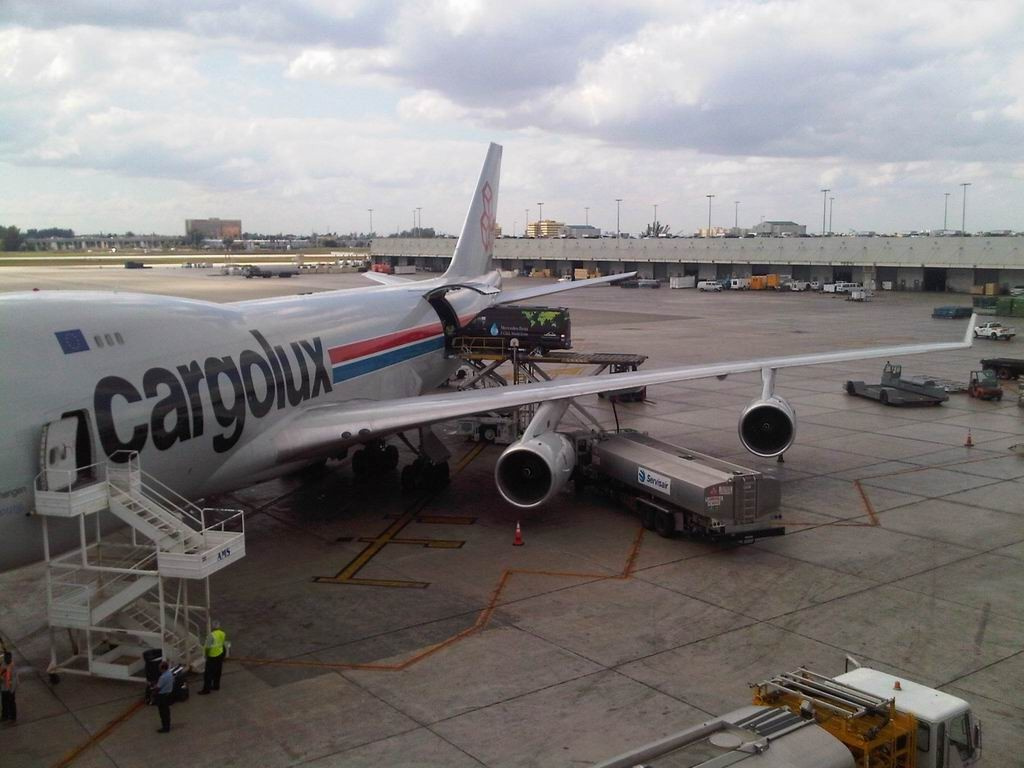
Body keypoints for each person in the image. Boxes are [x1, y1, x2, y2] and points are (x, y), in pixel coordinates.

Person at [198, 620, 228, 694]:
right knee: (218, 671)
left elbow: (207, 648)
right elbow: (223, 644)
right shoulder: (222, 633)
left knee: (208, 674)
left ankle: (206, 689)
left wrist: (206, 655)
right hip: (220, 654)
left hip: (212, 656)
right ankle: (216, 686)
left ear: (212, 627)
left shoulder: (211, 636)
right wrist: (224, 655)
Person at [155, 661, 174, 733]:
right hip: (168, 694)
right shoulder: (170, 674)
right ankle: (167, 725)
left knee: (163, 713)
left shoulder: (162, 677)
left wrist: (154, 690)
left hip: (162, 696)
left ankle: (165, 727)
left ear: (162, 669)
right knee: (167, 712)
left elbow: (158, 687)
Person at [0, 651, 17, 723]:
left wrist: (12, 690)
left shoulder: (12, 666)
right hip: (4, 687)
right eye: (5, 658)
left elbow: (15, 679)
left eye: (7, 658)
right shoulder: (3, 664)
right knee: (4, 703)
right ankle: (5, 716)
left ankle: (13, 717)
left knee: (11, 703)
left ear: (10, 658)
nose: (6, 659)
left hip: (10, 689)